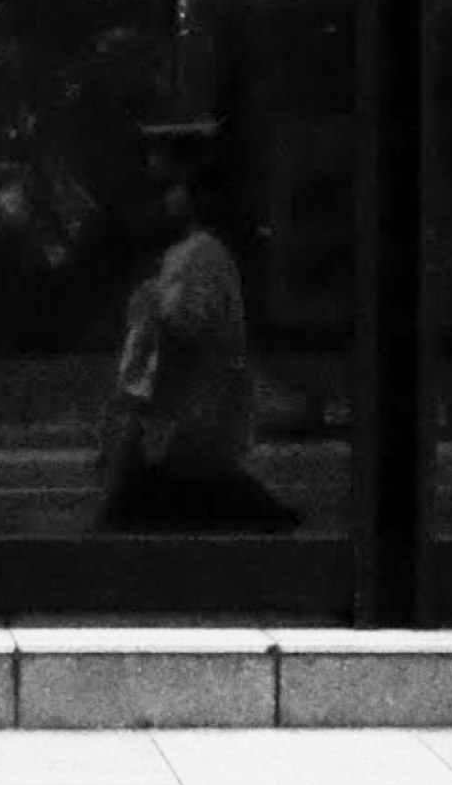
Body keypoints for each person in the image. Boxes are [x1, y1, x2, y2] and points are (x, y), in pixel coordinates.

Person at [96, 121, 301, 534]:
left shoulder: (201, 255)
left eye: (172, 186)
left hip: (183, 429)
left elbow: (184, 332)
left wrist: (152, 305)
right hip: (179, 429)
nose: (165, 198)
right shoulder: (192, 255)